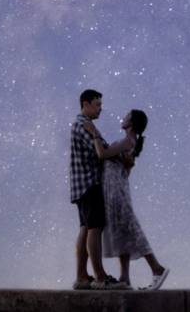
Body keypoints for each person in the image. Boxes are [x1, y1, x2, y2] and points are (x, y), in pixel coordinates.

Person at [84, 109, 170, 291]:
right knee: (123, 230)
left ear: (131, 122)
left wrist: (95, 134)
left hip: (115, 190)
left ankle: (157, 268)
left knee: (130, 228)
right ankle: (125, 278)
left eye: (126, 116)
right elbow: (126, 169)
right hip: (117, 188)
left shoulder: (127, 141)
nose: (122, 118)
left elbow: (102, 154)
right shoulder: (131, 142)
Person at [70, 89, 128, 290]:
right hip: (90, 183)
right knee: (95, 228)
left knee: (86, 228)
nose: (100, 109)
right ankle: (100, 277)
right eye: (97, 104)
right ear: (85, 104)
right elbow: (101, 152)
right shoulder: (84, 126)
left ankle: (82, 277)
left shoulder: (84, 125)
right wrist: (121, 152)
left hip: (82, 186)